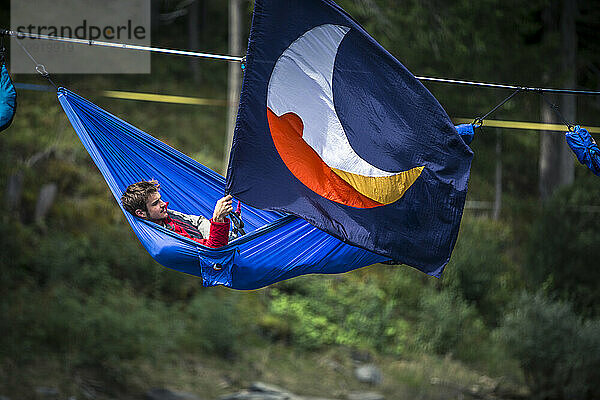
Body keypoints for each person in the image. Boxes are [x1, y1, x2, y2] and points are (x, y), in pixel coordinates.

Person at [121, 180, 233, 248]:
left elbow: (197, 221)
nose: (164, 204)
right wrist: (218, 219)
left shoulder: (163, 214)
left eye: (160, 199)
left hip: (223, 238)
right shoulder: (167, 237)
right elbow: (214, 251)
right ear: (141, 213)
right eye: (155, 203)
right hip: (223, 247)